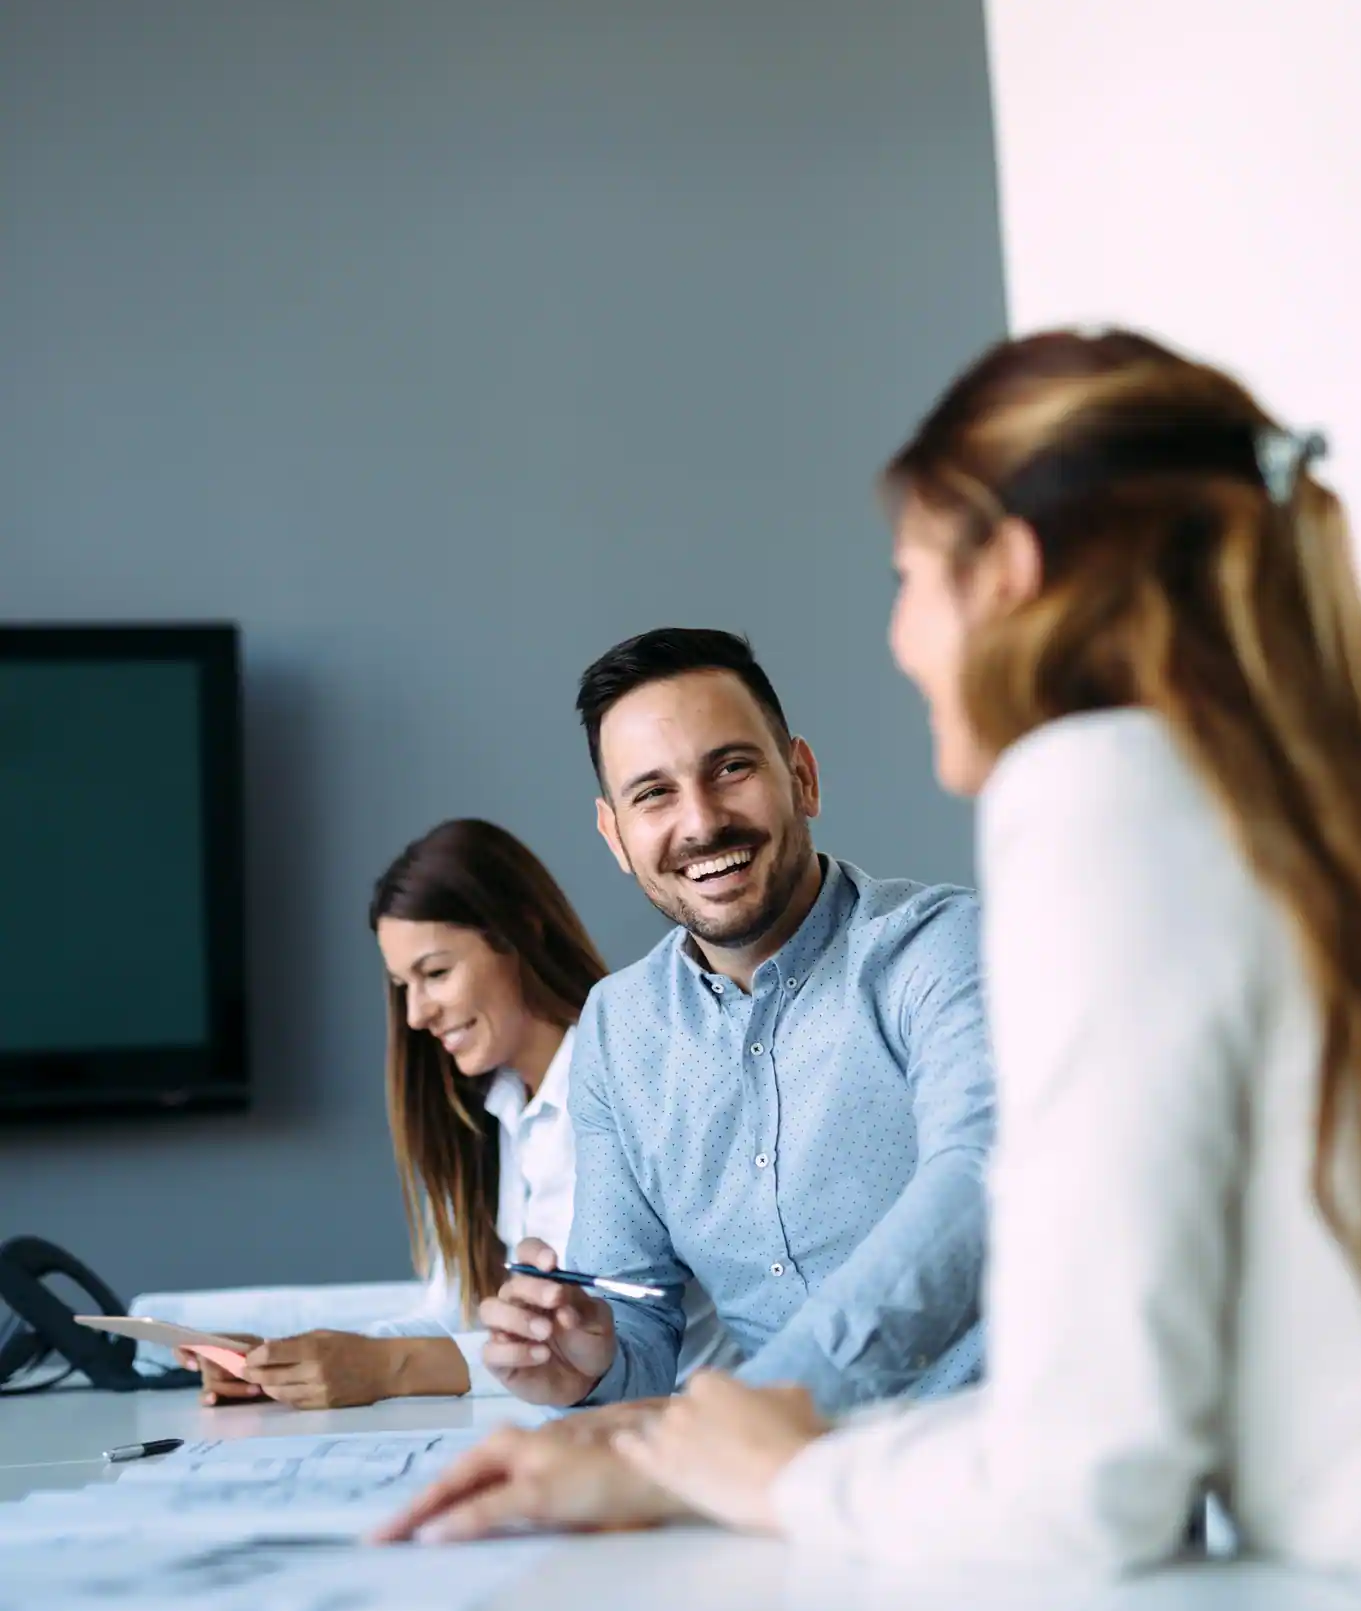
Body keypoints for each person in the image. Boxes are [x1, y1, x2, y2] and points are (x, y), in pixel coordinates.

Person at [601, 327, 1361, 1581]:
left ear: (1006, 575)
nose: (899, 637)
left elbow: (1092, 1478)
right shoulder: (1312, 790)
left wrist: (777, 1475)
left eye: (907, 579)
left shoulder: (1096, 795)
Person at [376, 626, 992, 1536]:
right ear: (615, 834)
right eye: (653, 793)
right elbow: (638, 1327)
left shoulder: (942, 948)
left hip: (990, 1483)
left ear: (802, 777)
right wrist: (586, 1360)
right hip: (773, 1511)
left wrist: (758, 1406)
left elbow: (977, 1181)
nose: (700, 822)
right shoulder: (617, 1028)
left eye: (731, 768)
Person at [186, 818, 730, 1409]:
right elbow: (455, 1315)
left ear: (521, 932)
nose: (416, 1014)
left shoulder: (626, 1089)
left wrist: (388, 1367)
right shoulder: (494, 1108)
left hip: (698, 1415)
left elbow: (567, 1347)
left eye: (436, 973)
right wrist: (291, 1361)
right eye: (404, 985)